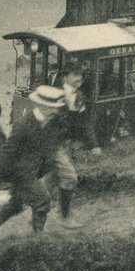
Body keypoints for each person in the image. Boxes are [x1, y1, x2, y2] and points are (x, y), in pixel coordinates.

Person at [0, 86, 67, 241]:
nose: (56, 111)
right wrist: (1, 181)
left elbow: (49, 147)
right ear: (42, 106)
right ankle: (37, 237)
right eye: (53, 108)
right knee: (42, 201)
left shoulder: (51, 123)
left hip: (33, 171)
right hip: (19, 173)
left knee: (15, 205)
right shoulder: (23, 125)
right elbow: (8, 153)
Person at [45, 64, 102, 229]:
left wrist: (94, 145)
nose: (80, 79)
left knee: (52, 178)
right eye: (75, 74)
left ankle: (42, 210)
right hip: (52, 144)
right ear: (64, 77)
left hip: (65, 144)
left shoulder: (80, 97)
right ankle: (63, 216)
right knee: (69, 178)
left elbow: (85, 123)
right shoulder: (54, 95)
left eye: (81, 76)